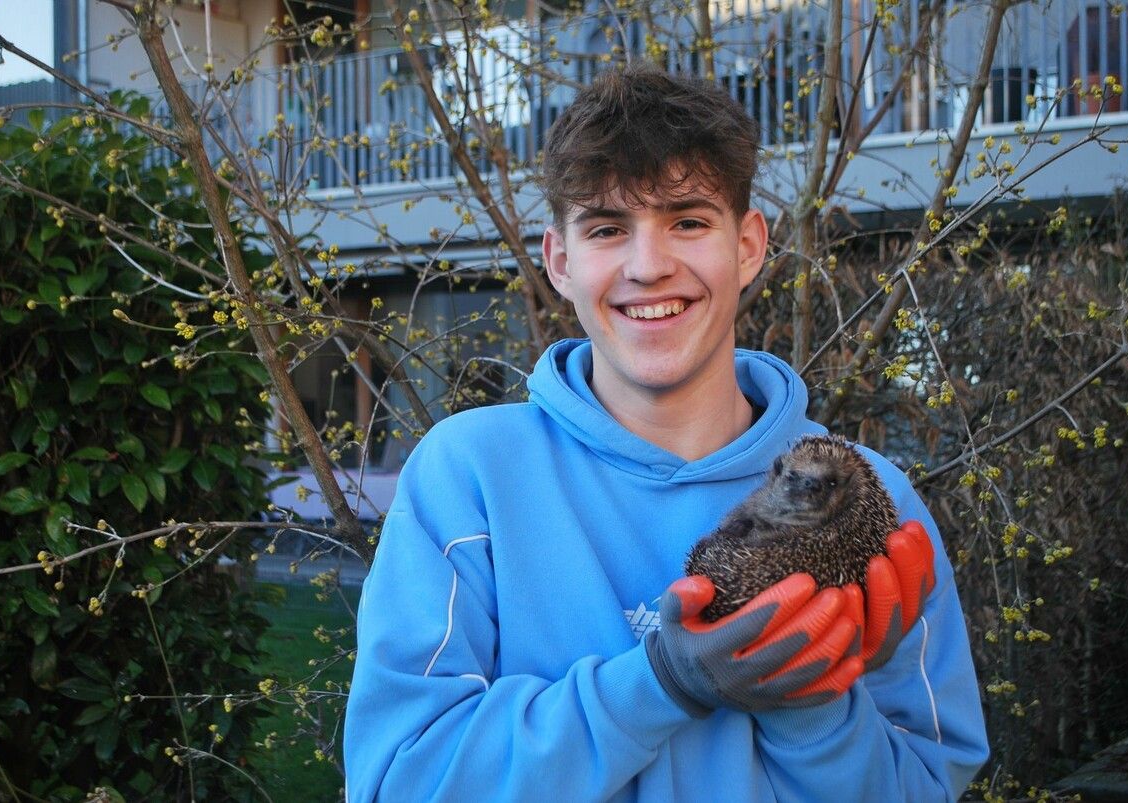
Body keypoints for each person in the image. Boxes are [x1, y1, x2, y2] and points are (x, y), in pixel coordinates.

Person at [344, 63, 989, 802]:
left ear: (748, 245)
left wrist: (813, 708)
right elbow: (397, 781)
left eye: (687, 219)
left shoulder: (872, 498)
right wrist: (659, 682)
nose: (649, 267)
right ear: (559, 260)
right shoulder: (469, 477)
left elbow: (926, 785)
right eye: (608, 228)